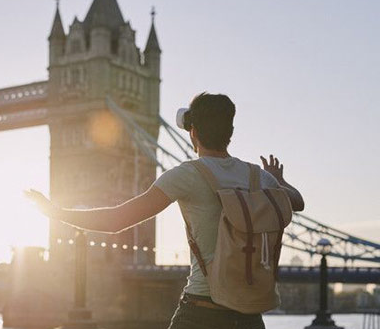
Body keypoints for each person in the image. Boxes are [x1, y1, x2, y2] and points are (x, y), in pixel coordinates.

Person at [26, 92, 304, 329]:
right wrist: (279, 180)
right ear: (230, 133)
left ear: (192, 131)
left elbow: (117, 220)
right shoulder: (258, 177)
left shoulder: (187, 175)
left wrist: (56, 212)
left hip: (202, 310)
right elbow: (297, 202)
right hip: (249, 315)